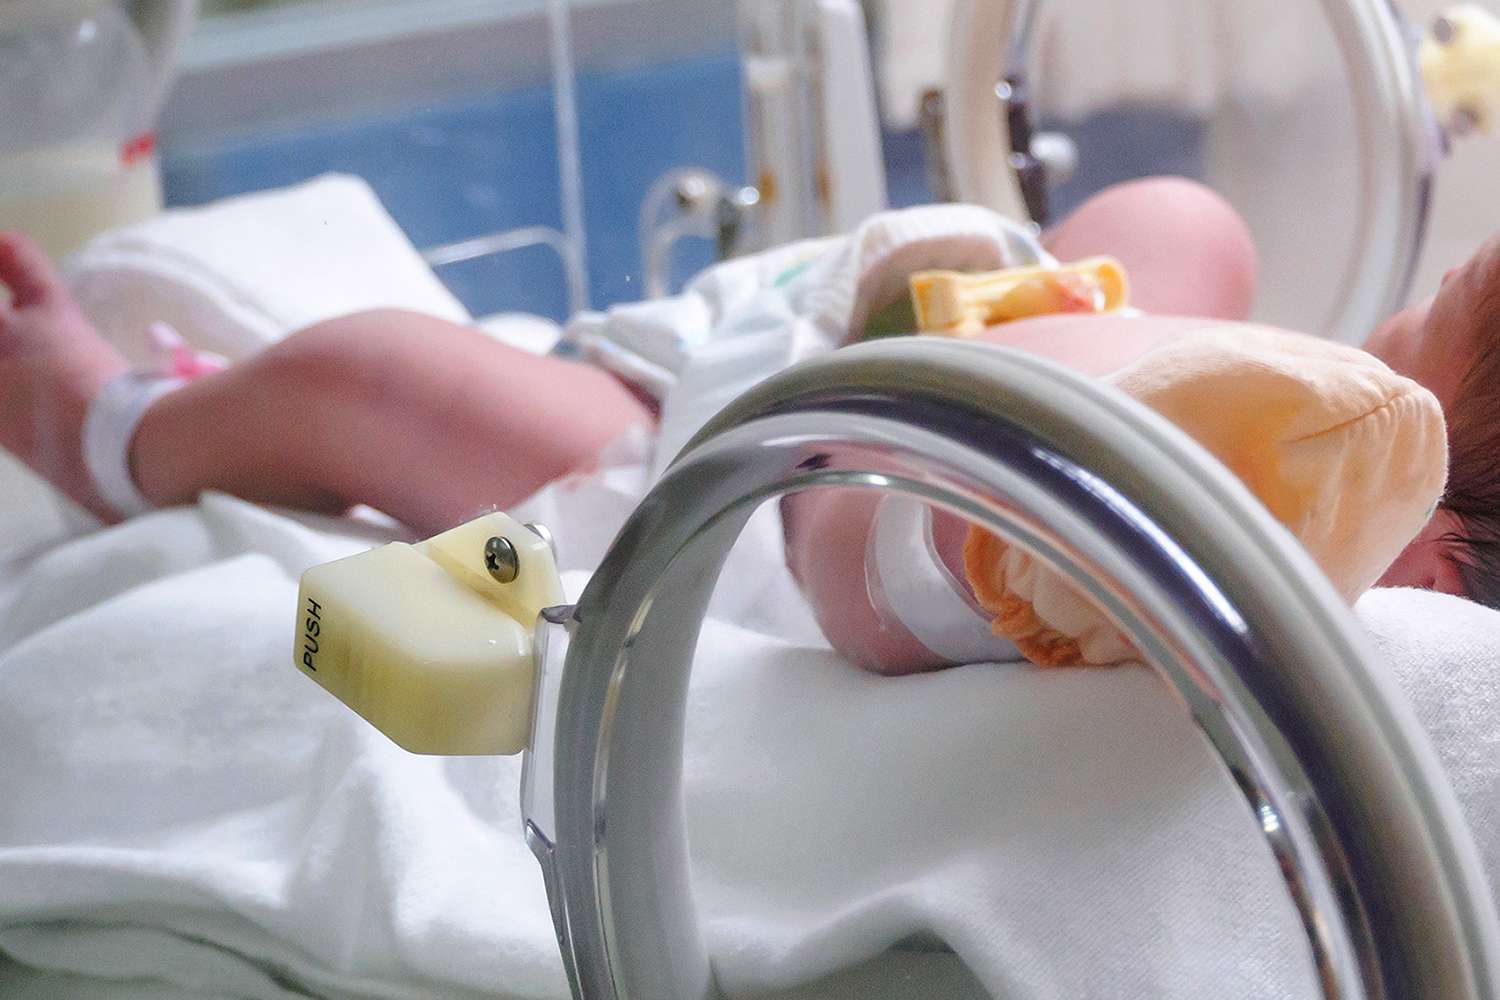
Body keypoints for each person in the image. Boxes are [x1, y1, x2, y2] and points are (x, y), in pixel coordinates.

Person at [0, 178, 1491, 673]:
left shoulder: (1329, 610)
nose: (1380, 328)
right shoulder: (1316, 418)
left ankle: (105, 426)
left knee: (381, 382)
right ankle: (1031, 427)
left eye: (1417, 329)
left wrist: (975, 478)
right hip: (884, 343)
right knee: (1184, 216)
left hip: (734, 490)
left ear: (1425, 574)